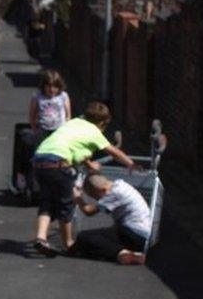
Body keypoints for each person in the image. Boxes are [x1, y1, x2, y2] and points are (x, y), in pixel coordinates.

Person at [32, 101, 138, 256]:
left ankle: (41, 238)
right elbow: (113, 151)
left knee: (47, 202)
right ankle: (68, 243)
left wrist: (88, 163)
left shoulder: (74, 122)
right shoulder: (95, 132)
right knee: (66, 205)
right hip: (59, 164)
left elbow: (73, 146)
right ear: (102, 123)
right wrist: (131, 164)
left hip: (39, 160)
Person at [69, 174, 151, 266]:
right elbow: (94, 177)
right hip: (141, 232)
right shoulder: (121, 184)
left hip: (134, 234)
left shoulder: (114, 193)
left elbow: (88, 211)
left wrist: (77, 198)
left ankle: (122, 253)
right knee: (103, 234)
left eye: (96, 196)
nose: (99, 200)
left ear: (103, 190)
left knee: (84, 236)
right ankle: (132, 252)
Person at [14, 70, 72, 192]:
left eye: (55, 86)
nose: (52, 90)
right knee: (33, 151)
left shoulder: (63, 96)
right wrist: (36, 129)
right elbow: (32, 115)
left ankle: (64, 178)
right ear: (44, 86)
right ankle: (25, 177)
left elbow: (68, 115)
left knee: (62, 155)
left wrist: (65, 130)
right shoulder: (37, 96)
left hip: (58, 131)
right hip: (43, 129)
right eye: (49, 86)